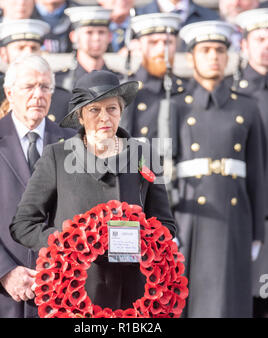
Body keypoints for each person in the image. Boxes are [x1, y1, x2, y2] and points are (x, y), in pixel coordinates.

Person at [10, 69, 176, 310]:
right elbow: (23, 225)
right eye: (94, 110)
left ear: (121, 112)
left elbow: (166, 226)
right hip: (75, 297)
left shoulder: (146, 156)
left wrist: (140, 240)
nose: (104, 118)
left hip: (134, 298)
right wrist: (70, 243)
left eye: (112, 109)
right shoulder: (57, 156)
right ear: (80, 116)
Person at [170, 20, 266, 318]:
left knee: (229, 302)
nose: (214, 56)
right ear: (191, 58)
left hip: (234, 215)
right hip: (188, 216)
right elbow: (163, 172)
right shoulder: (175, 106)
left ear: (229, 57)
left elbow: (257, 174)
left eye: (220, 50)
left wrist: (257, 232)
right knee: (187, 298)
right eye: (206, 50)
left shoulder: (246, 107)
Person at [0, 54, 76, 318]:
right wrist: (4, 272)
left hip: (60, 292)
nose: (38, 94)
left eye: (45, 87)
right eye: (29, 87)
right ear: (9, 92)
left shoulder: (74, 144)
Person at [234, 8, 268, 318]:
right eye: (260, 39)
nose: (266, 45)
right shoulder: (235, 97)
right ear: (244, 46)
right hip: (251, 216)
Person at [0, 18, 72, 124]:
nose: (28, 53)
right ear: (4, 54)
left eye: (33, 48)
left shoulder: (61, 100)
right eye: (21, 48)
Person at [120, 12, 185, 141]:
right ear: (138, 45)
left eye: (168, 42)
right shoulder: (123, 89)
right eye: (153, 42)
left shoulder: (186, 89)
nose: (162, 49)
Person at [55, 5, 122, 92]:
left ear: (110, 36)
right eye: (89, 32)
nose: (96, 38)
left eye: (101, 32)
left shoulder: (121, 80)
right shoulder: (60, 81)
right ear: (73, 37)